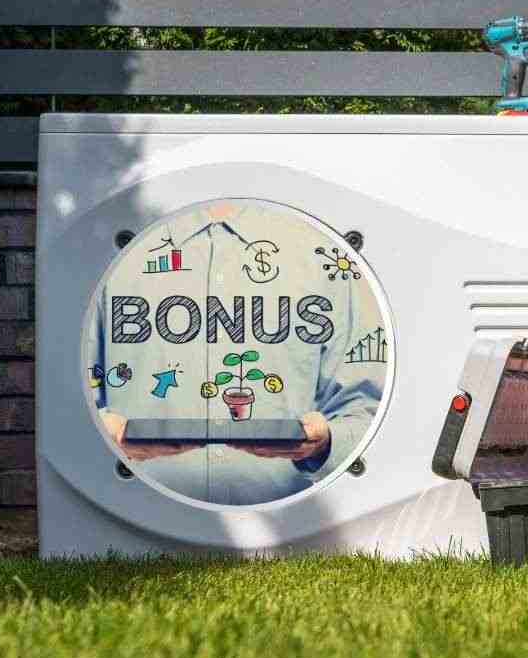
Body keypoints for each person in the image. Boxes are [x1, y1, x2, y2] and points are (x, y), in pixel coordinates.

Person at [88, 200, 385, 506]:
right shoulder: (111, 253)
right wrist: (99, 436)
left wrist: (325, 444)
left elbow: (365, 412)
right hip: (127, 520)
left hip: (295, 531)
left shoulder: (324, 253)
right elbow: (71, 400)